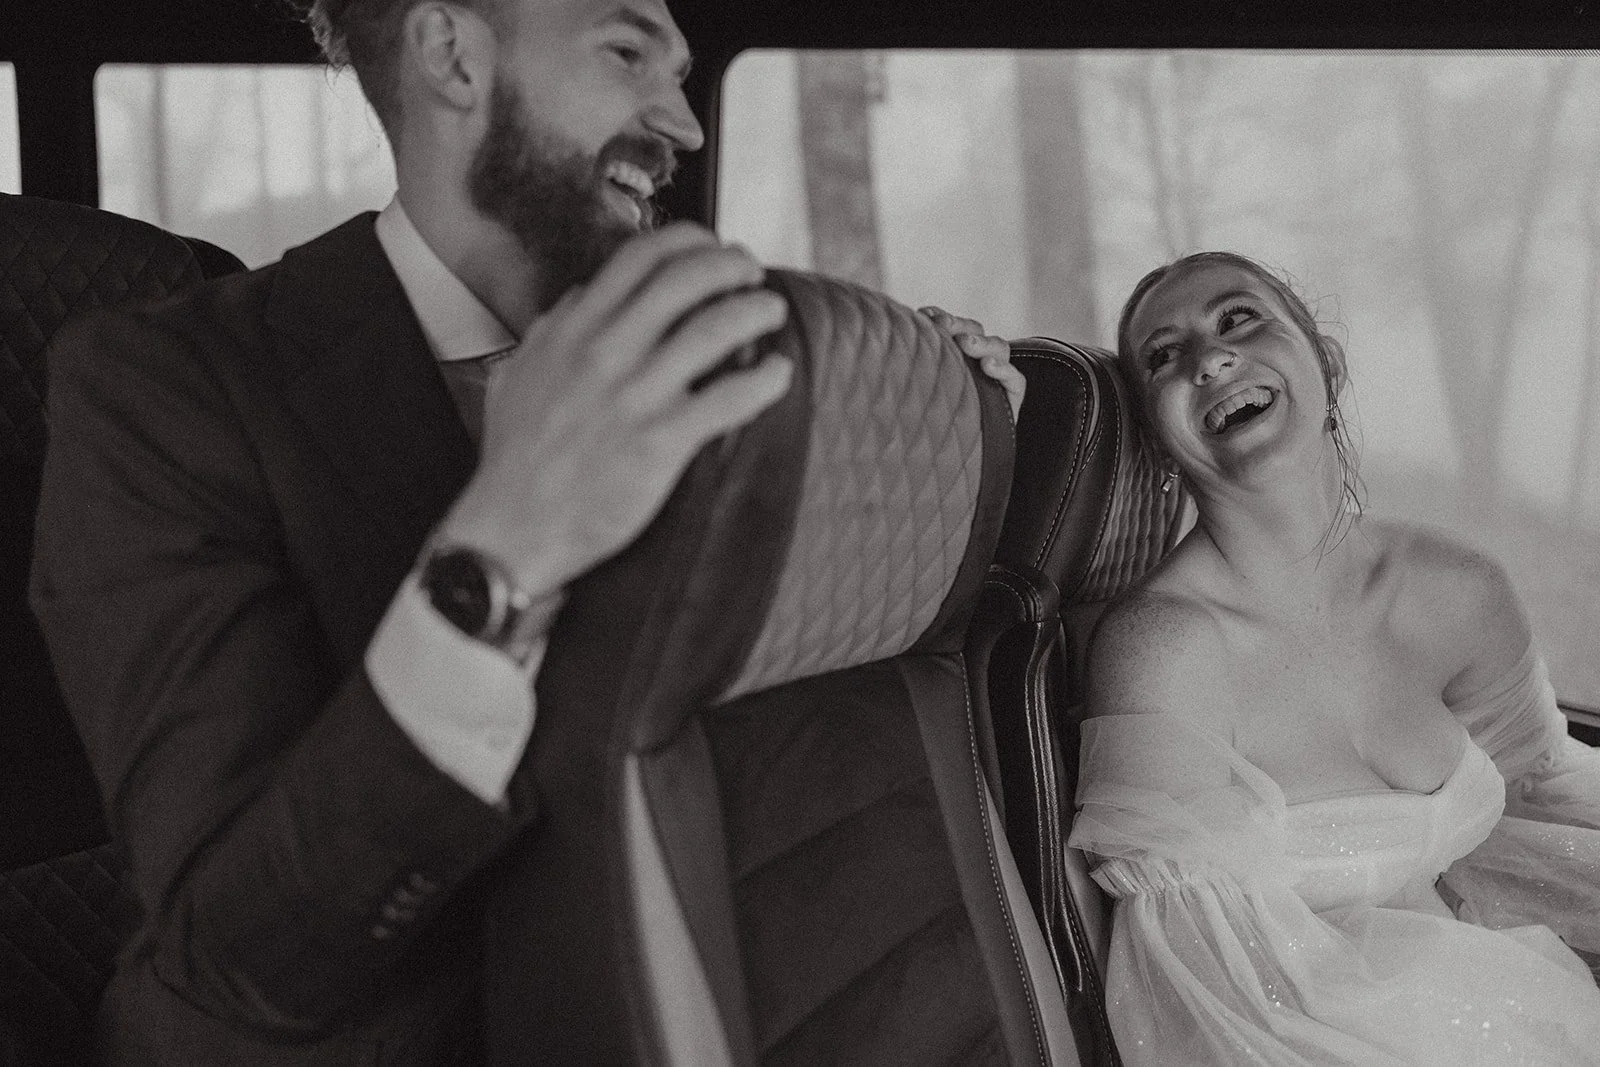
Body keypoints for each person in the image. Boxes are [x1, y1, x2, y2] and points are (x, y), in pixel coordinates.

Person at [27, 0, 1018, 1059]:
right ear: (453, 54)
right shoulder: (165, 387)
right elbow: (242, 950)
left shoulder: (707, 370)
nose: (681, 125)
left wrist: (945, 442)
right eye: (627, 52)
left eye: (683, 73)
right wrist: (507, 547)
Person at [1065, 251, 1600, 1065]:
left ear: (1326, 360)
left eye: (1239, 319)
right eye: (1165, 356)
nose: (1210, 359)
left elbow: (1545, 797)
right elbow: (1196, 994)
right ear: (1156, 437)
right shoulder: (1162, 649)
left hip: (1524, 1013)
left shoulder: (1460, 591)